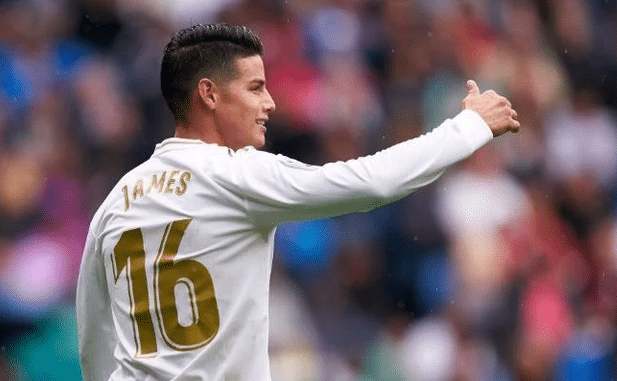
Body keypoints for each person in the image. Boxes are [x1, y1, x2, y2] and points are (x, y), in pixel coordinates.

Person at [76, 23, 520, 381]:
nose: (269, 102)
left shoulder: (115, 202)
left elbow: (94, 340)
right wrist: (469, 127)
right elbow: (371, 183)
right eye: (255, 88)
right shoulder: (238, 175)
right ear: (209, 94)